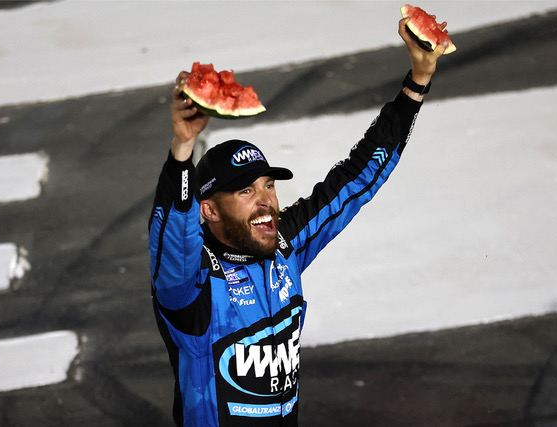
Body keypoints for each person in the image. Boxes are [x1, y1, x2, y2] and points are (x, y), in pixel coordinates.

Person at [149, 18, 448, 427]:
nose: (267, 202)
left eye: (268, 185)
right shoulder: (189, 281)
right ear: (210, 210)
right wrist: (182, 149)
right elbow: (172, 238)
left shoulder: (284, 244)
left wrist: (417, 83)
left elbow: (356, 178)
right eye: (245, 192)